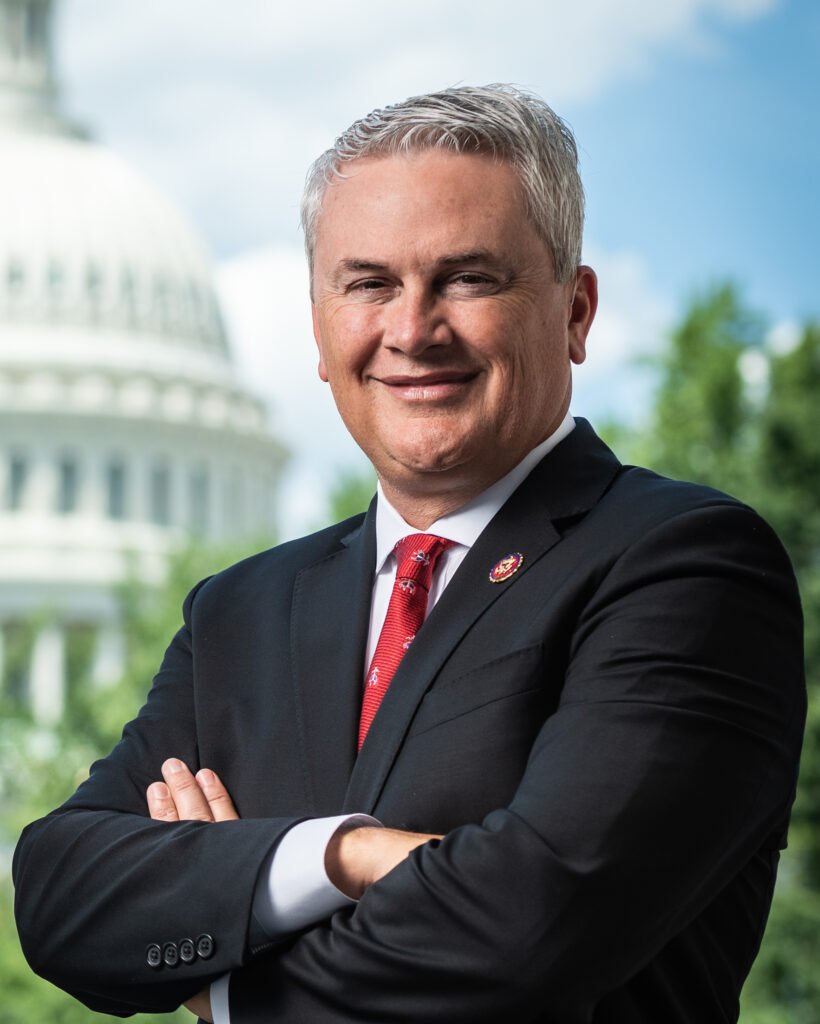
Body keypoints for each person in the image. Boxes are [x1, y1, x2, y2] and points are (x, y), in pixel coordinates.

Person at [14, 85, 805, 1023]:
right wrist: (344, 855)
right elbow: (62, 897)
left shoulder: (685, 566)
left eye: (469, 278)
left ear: (576, 312)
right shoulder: (239, 612)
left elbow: (533, 928)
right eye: (369, 283)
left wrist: (223, 954)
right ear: (319, 328)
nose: (412, 329)